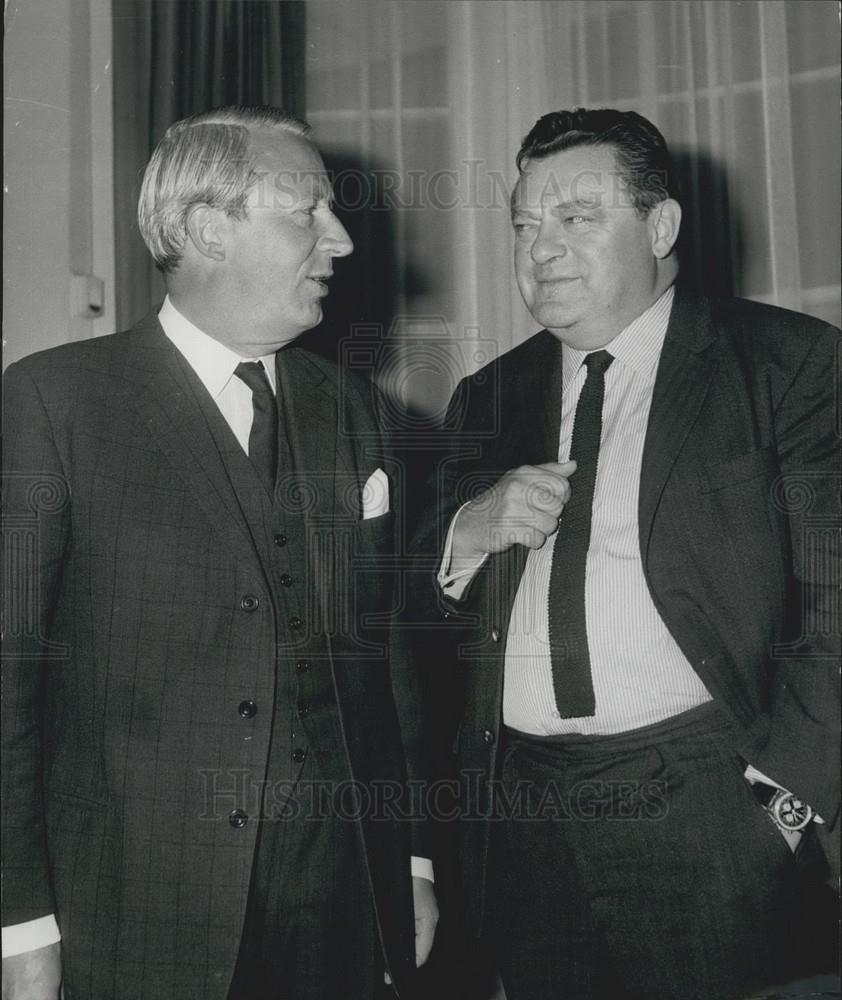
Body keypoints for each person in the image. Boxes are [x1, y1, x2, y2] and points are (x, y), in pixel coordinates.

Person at [1, 105, 437, 1000]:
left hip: (346, 912)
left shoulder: (359, 414)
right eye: (307, 210)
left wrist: (417, 859)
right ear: (208, 229)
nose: (341, 240)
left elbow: (391, 659)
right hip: (132, 920)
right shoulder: (56, 405)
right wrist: (19, 920)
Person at [409, 108, 839, 999]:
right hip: (523, 815)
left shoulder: (786, 366)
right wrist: (466, 534)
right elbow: (414, 623)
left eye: (576, 217)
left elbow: (834, 604)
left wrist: (782, 804)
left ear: (662, 225)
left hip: (707, 806)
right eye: (526, 225)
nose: (542, 248)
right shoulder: (486, 395)